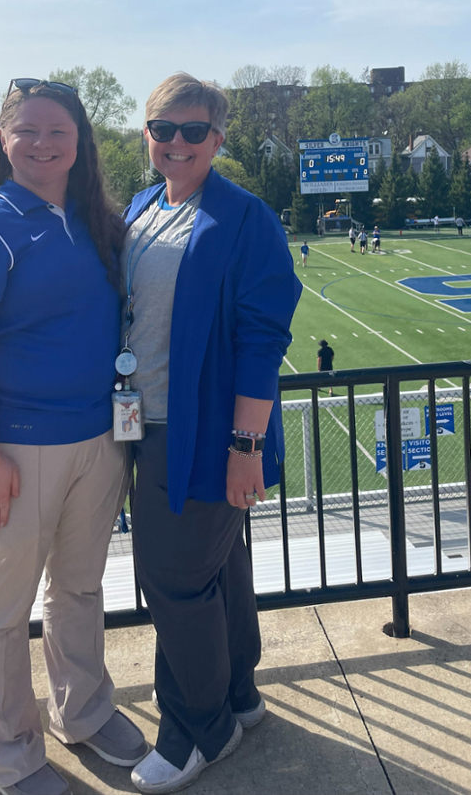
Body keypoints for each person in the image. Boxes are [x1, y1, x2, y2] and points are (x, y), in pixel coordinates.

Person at [0, 79, 147, 795]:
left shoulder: (92, 219)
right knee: (2, 608)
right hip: (19, 449)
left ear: (80, 140)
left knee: (80, 589)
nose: (44, 143)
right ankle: (8, 755)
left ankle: (81, 712)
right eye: (28, 130)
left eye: (59, 130)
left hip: (99, 438)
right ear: (3, 138)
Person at [122, 73, 301, 794]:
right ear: (148, 135)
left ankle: (199, 729)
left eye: (194, 130)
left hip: (207, 431)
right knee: (219, 568)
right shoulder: (142, 207)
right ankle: (237, 694)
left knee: (172, 581)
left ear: (218, 139)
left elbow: (262, 341)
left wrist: (245, 447)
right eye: (164, 128)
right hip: (149, 421)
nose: (177, 142)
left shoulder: (243, 217)